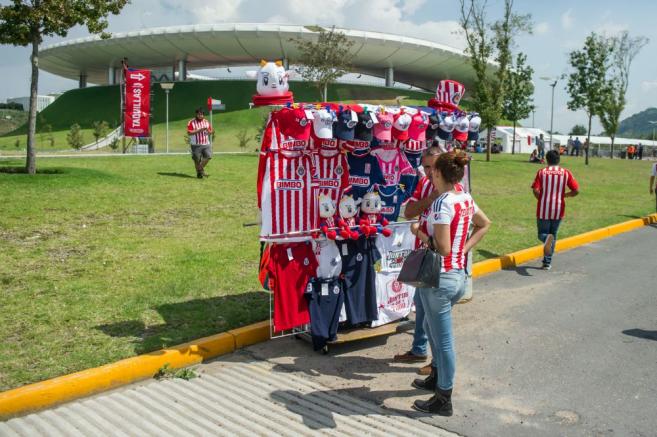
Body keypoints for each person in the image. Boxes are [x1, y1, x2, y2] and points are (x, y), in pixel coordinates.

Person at [410, 151, 491, 416]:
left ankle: (444, 396)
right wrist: (464, 249)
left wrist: (419, 233)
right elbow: (484, 224)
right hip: (452, 275)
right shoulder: (464, 197)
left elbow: (442, 248)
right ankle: (436, 377)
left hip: (440, 277)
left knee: (443, 342)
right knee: (431, 329)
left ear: (437, 173)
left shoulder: (442, 203)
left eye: (432, 170)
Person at [393, 146, 442, 372]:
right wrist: (429, 198)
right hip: (422, 254)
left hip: (439, 256)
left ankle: (436, 363)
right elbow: (410, 212)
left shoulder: (454, 188)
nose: (430, 172)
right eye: (426, 167)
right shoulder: (424, 184)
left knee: (433, 312)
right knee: (421, 305)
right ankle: (420, 349)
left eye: (434, 166)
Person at [531, 150, 579, 270]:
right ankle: (547, 263)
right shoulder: (566, 173)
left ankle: (546, 240)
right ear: (559, 160)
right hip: (559, 208)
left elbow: (535, 190)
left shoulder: (542, 172)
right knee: (553, 235)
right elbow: (576, 190)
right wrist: (565, 195)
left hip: (543, 208)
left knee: (542, 234)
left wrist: (540, 199)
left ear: (547, 159)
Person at [187, 108, 214, 179]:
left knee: (208, 156)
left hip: (206, 144)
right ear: (196, 114)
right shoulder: (191, 122)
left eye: (201, 114)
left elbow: (211, 131)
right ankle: (199, 174)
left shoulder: (206, 122)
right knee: (197, 160)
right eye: (199, 114)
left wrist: (209, 132)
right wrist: (199, 130)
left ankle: (199, 169)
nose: (200, 115)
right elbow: (189, 132)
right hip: (196, 145)